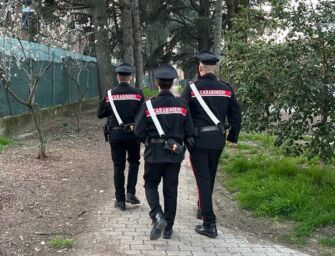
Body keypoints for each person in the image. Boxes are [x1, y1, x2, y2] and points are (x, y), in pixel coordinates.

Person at [181, 50, 241, 238]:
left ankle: (209, 223)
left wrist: (186, 135)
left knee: (203, 179)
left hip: (198, 141)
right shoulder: (226, 88)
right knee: (210, 176)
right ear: (214, 67)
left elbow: (183, 112)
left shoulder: (192, 88)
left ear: (200, 67)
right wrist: (233, 136)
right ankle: (202, 208)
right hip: (218, 140)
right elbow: (236, 114)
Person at [134, 64, 194, 240]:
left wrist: (148, 141)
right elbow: (189, 131)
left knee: (150, 184)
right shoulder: (182, 105)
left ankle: (157, 215)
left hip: (154, 153)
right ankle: (168, 228)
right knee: (171, 189)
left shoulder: (149, 105)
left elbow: (138, 131)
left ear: (158, 83)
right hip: (175, 154)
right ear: (172, 82)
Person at [97, 62, 144, 211]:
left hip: (116, 134)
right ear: (130, 77)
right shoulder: (138, 94)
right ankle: (130, 192)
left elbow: (100, 113)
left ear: (118, 76)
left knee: (118, 167)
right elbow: (143, 115)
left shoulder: (109, 94)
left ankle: (120, 200)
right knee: (134, 162)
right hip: (133, 135)